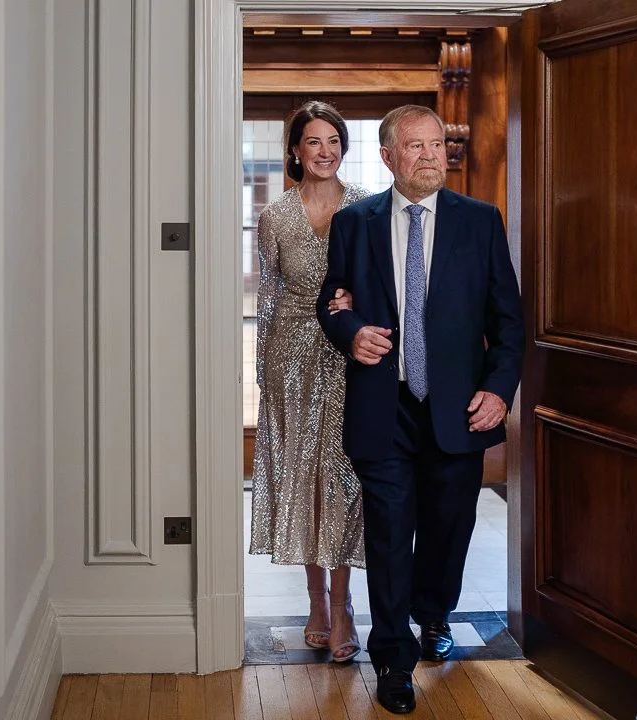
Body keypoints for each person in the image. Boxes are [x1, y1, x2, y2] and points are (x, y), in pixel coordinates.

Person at [316, 105, 525, 713]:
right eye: (415, 146)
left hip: (458, 410)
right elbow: (333, 301)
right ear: (387, 156)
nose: (430, 154)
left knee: (447, 528)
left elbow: (507, 323)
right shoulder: (355, 222)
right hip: (383, 408)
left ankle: (434, 615)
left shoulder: (480, 222)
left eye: (436, 144)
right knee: (386, 537)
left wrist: (498, 390)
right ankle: (391, 658)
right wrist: (351, 330)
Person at [249, 100, 369, 663]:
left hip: (350, 356)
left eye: (334, 141)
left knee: (344, 480)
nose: (325, 151)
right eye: (314, 142)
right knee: (307, 483)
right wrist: (264, 375)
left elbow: (386, 287)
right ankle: (316, 603)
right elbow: (269, 300)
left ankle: (344, 607)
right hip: (291, 361)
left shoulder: (367, 208)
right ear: (295, 151)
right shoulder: (275, 216)